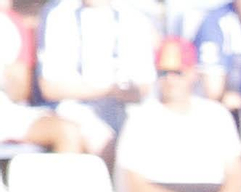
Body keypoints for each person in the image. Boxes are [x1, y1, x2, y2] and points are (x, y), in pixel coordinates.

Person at [116, 37, 241, 192]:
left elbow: (236, 175)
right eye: (164, 73)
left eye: (178, 72)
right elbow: (135, 188)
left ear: (193, 73)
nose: (171, 79)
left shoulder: (216, 114)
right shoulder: (141, 118)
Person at [34, 0, 157, 160]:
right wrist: (106, 90)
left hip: (123, 107)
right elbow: (50, 88)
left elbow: (144, 85)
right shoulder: (59, 13)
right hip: (73, 107)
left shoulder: (134, 17)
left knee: (149, 139)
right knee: (105, 142)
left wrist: (125, 92)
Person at [2, 2, 86, 153]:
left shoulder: (11, 25)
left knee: (68, 131)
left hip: (6, 112)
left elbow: (20, 92)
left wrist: (8, 73)